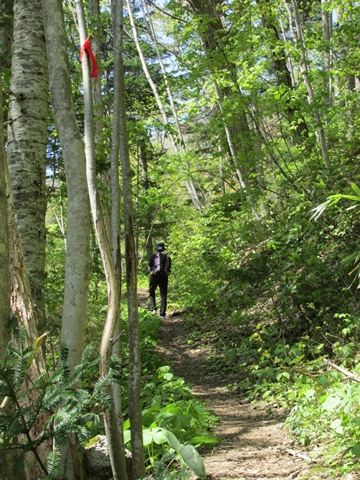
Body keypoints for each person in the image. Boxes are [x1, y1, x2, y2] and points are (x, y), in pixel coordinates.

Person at [148, 242, 171, 318]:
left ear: (156, 249)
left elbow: (149, 268)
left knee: (151, 291)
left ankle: (152, 308)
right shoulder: (167, 257)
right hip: (164, 277)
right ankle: (162, 313)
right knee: (163, 294)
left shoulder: (153, 256)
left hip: (154, 276)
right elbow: (168, 268)